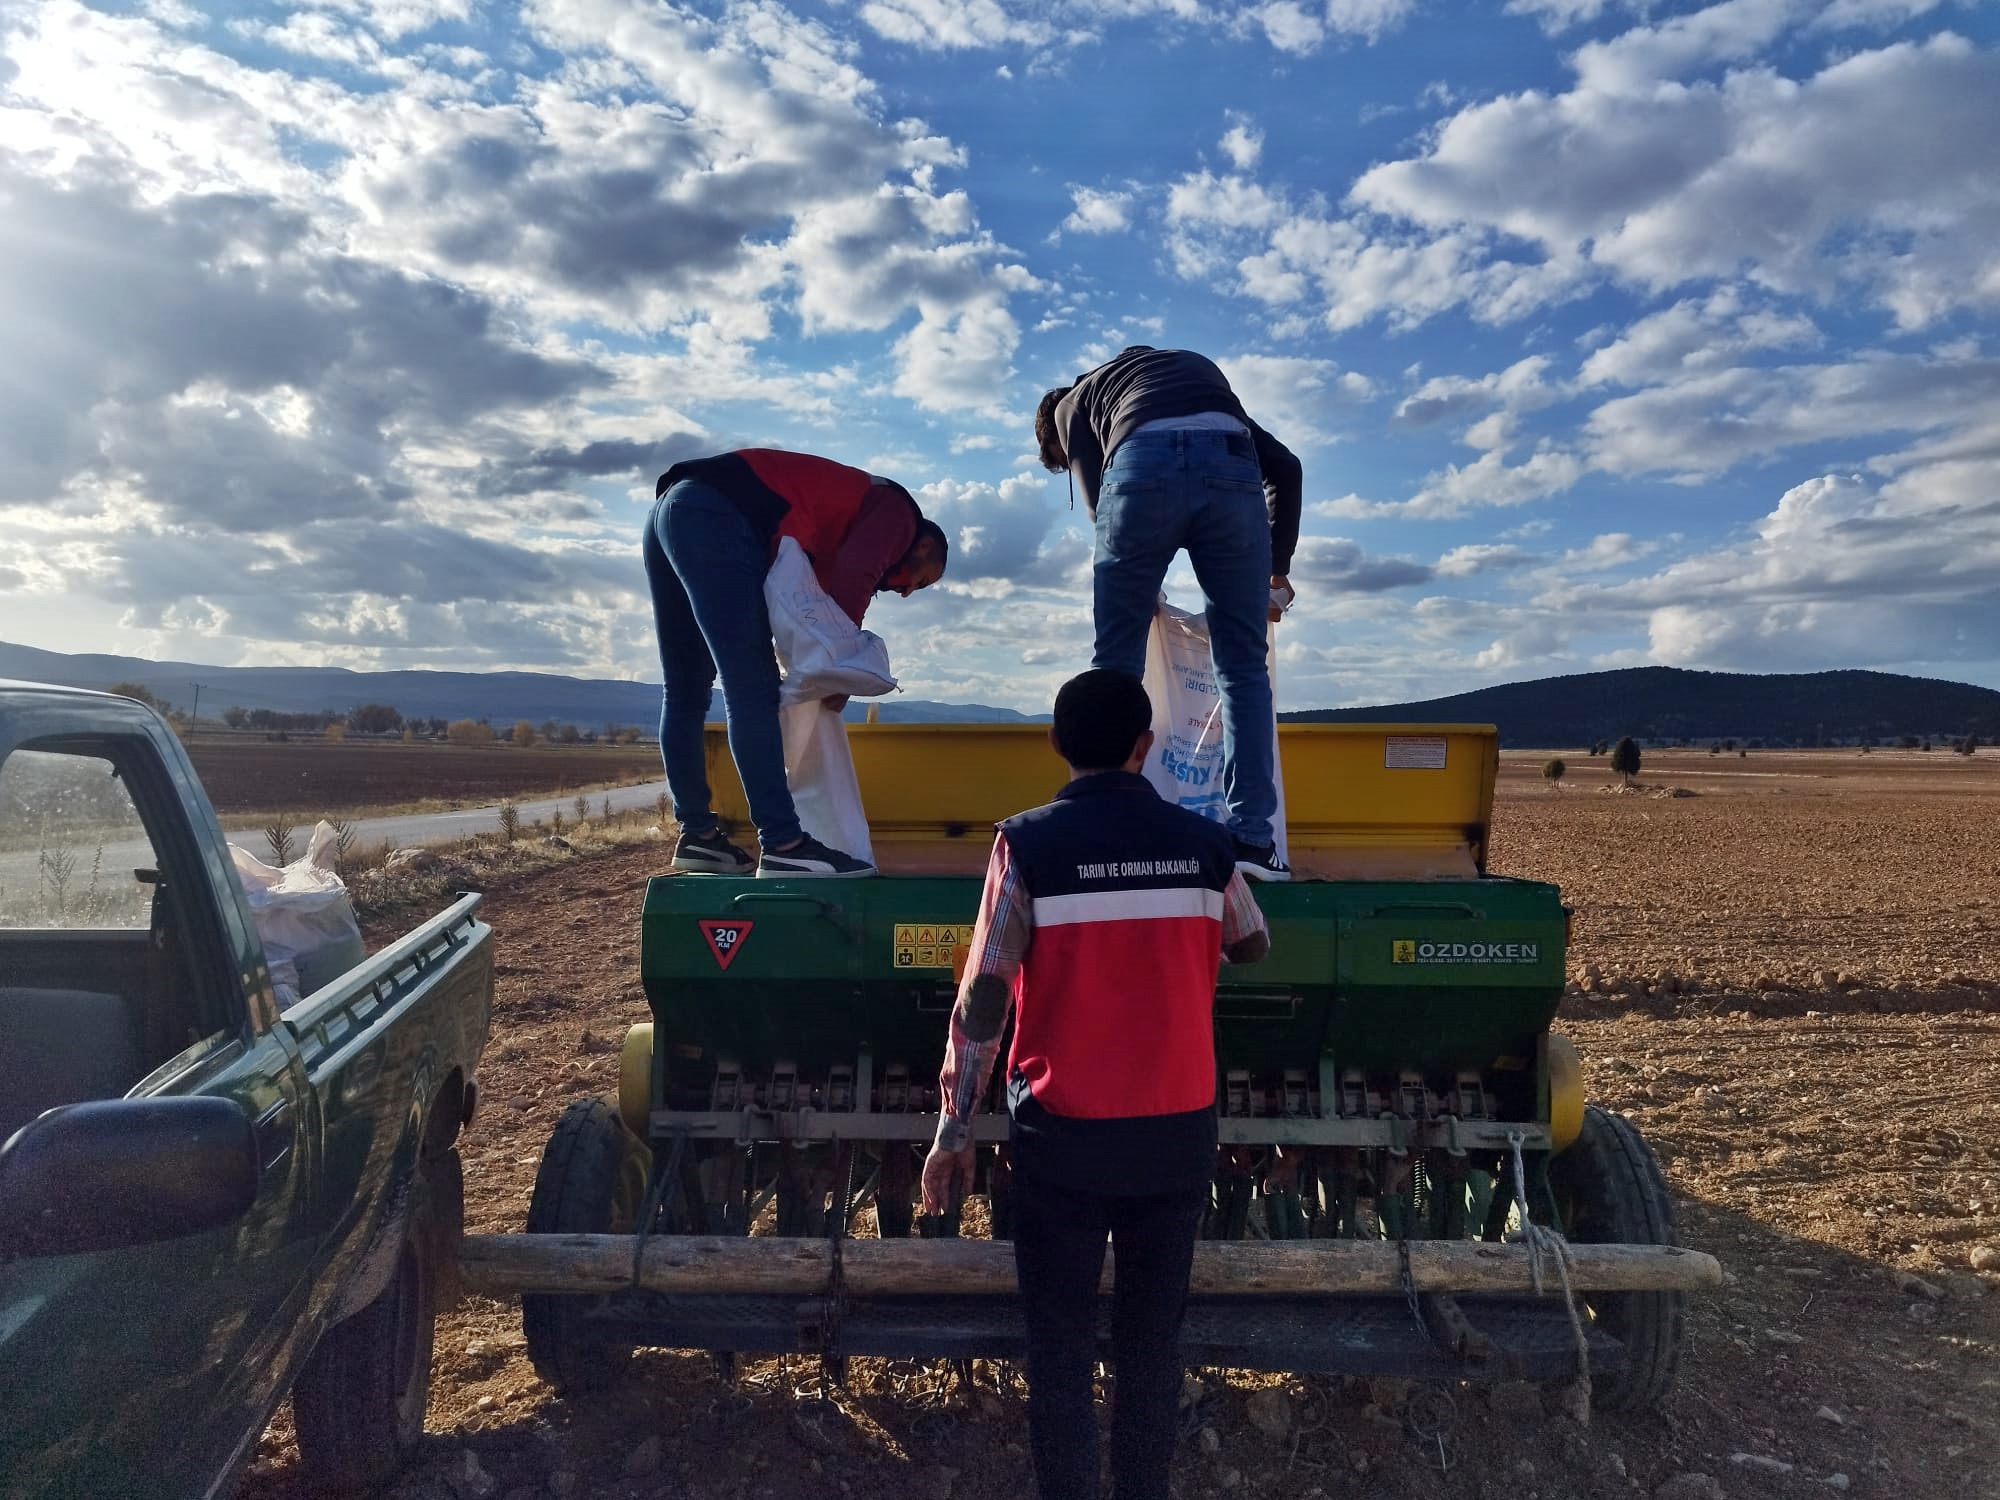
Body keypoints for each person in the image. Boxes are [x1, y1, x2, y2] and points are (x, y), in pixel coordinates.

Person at [921, 669, 1271, 1500]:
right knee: (1152, 1353)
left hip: (1065, 1142)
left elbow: (982, 1001)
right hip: (1176, 1137)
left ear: (1055, 745)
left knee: (1061, 1354)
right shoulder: (1205, 845)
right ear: (1144, 748)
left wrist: (952, 1129)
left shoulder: (1029, 844)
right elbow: (1253, 942)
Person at [1036, 345, 1303, 882]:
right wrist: (1275, 571)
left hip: (1140, 471)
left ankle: (1103, 828)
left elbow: (1101, 507)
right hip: (1232, 468)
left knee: (1113, 667)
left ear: (1053, 431)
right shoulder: (1189, 384)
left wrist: (1142, 591)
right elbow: (1287, 467)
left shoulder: (1072, 405)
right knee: (1242, 668)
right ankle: (1253, 841)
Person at [644, 449, 947, 878]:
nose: (907, 591)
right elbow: (852, 579)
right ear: (925, 546)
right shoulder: (900, 517)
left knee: (685, 688)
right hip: (715, 514)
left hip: (670, 512)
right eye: (920, 580)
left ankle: (698, 835)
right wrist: (838, 668)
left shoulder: (835, 527)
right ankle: (784, 843)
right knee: (750, 686)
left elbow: (803, 611)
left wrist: (821, 663)